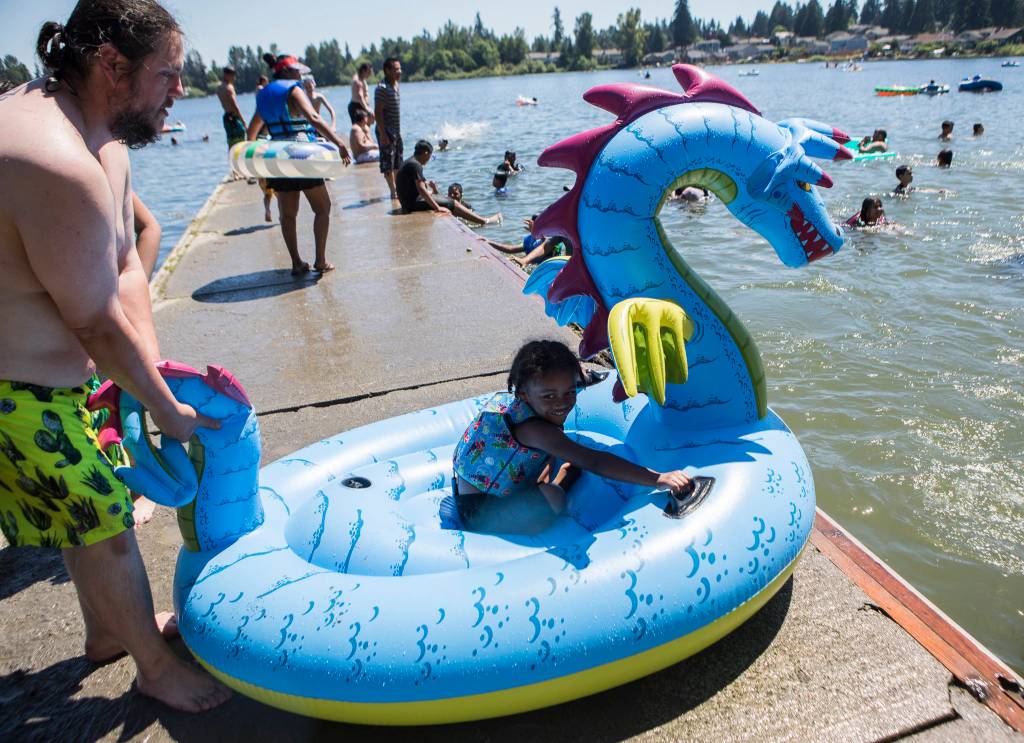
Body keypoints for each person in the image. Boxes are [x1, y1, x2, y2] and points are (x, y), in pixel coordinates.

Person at [0, 0, 230, 712]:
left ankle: (108, 631)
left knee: (76, 512)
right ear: (111, 65)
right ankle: (154, 667)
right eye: (167, 74)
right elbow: (95, 321)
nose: (179, 90)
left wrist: (150, 375)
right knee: (102, 515)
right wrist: (171, 413)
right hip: (17, 392)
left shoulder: (105, 140)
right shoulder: (51, 158)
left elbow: (127, 261)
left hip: (59, 382)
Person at [451, 340, 693, 534]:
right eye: (549, 396)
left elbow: (557, 387)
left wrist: (582, 379)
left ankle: (544, 477)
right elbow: (595, 461)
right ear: (524, 394)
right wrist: (658, 478)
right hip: (481, 512)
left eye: (570, 391)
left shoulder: (524, 398)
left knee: (546, 452)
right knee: (554, 499)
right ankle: (565, 476)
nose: (563, 402)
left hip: (489, 483)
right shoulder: (536, 431)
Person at [246, 53, 351, 276]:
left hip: (278, 159)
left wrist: (254, 162)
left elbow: (252, 131)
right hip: (302, 157)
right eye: (296, 71)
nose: (299, 74)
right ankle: (320, 261)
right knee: (323, 208)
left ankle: (296, 262)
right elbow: (313, 117)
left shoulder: (264, 95)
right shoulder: (294, 90)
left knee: (288, 214)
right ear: (286, 72)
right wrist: (339, 143)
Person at [396, 140, 501, 225]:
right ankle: (484, 221)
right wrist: (437, 207)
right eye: (429, 157)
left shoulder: (409, 161)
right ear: (426, 153)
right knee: (452, 202)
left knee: (441, 198)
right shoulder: (416, 165)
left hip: (407, 202)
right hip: (411, 204)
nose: (428, 160)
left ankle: (474, 219)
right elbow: (421, 189)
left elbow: (414, 184)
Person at [374, 57, 402, 199]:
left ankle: (398, 189)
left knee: (398, 162)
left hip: (397, 131)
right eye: (396, 69)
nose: (400, 72)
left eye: (399, 68)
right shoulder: (382, 88)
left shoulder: (395, 85)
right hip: (386, 131)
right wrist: (383, 134)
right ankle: (393, 191)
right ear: (387, 70)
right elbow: (377, 112)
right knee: (388, 164)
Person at [216, 64, 246, 153]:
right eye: (232, 75)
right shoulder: (229, 88)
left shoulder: (219, 87)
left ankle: (231, 162)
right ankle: (240, 161)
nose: (234, 77)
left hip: (226, 117)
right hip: (233, 117)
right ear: (227, 75)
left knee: (231, 141)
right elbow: (234, 106)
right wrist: (243, 121)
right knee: (240, 138)